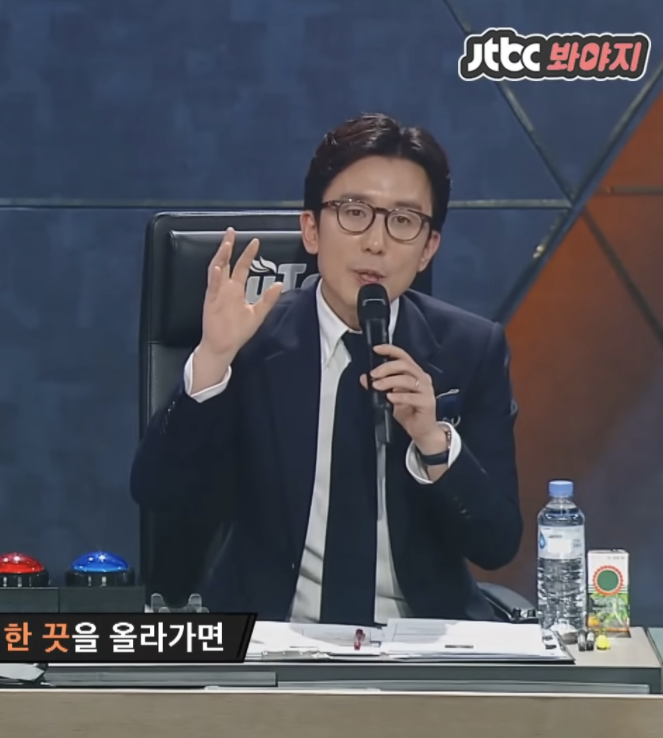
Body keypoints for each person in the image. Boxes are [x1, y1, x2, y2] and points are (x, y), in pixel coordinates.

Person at [131, 113, 522, 625]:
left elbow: (496, 544)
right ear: (311, 229)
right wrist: (211, 360)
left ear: (428, 248)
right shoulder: (253, 342)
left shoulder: (471, 350)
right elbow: (159, 492)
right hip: (274, 634)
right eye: (355, 213)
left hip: (421, 640)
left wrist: (433, 441)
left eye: (404, 221)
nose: (376, 243)